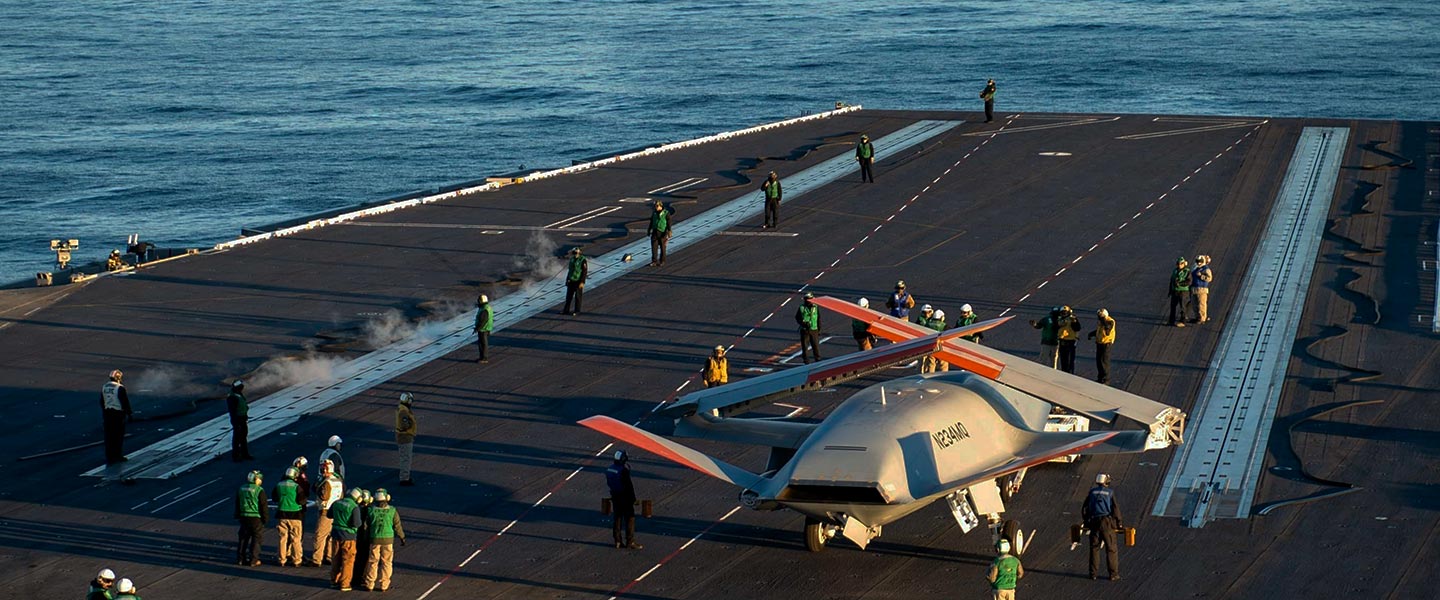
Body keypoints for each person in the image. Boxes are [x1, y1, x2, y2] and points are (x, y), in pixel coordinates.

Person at [362, 489, 406, 592]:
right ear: (387, 498)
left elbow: (366, 526)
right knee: (387, 562)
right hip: (388, 540)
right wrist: (402, 537)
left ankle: (370, 583)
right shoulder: (392, 510)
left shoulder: (371, 510)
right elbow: (397, 525)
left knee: (373, 561)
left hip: (374, 539)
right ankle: (384, 584)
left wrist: (365, 538)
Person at [1083, 473, 1123, 581]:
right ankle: (1113, 574)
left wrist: (1086, 522)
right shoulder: (1110, 493)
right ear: (1106, 482)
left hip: (1094, 522)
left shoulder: (1091, 492)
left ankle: (1093, 574)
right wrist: (1119, 523)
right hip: (1106, 523)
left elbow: (1085, 508)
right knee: (1111, 549)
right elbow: (1115, 509)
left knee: (1094, 548)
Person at [307, 459, 343, 567]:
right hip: (335, 510)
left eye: (323, 469)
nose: (322, 471)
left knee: (320, 535)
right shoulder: (338, 481)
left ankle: (316, 559)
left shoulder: (326, 481)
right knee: (330, 536)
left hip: (325, 510)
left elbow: (324, 496)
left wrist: (318, 486)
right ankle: (329, 556)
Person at [606, 450, 642, 549]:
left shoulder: (610, 469)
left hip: (615, 496)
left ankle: (617, 540)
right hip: (625, 497)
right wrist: (633, 499)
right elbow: (629, 486)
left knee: (617, 518)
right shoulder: (623, 471)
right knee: (630, 518)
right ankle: (630, 541)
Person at [329, 487, 363, 591]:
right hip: (348, 537)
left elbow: (329, 515)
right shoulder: (354, 507)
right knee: (347, 561)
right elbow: (356, 523)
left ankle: (333, 581)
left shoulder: (336, 502)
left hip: (335, 534)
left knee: (335, 558)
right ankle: (345, 583)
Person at [274, 466, 307, 566]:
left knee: (282, 538)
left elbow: (274, 497)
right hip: (295, 515)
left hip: (281, 514)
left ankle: (281, 559)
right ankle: (297, 560)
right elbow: (302, 500)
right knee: (296, 538)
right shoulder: (296, 486)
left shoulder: (279, 485)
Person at [235, 470, 268, 567]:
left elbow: (237, 503)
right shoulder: (259, 490)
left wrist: (238, 515)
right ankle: (254, 559)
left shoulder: (241, 488)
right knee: (256, 539)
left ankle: (240, 558)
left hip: (244, 516)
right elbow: (263, 506)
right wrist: (265, 519)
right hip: (255, 517)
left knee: (243, 538)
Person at [101, 369, 133, 465]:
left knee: (109, 436)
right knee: (118, 436)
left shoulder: (105, 387)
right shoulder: (120, 388)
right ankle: (117, 455)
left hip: (107, 414)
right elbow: (124, 402)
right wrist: (129, 413)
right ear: (118, 378)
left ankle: (109, 456)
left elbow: (101, 401)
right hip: (117, 414)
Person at [226, 380, 252, 461]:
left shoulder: (238, 394)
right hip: (237, 420)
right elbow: (233, 411)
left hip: (242, 418)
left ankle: (245, 454)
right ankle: (236, 456)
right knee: (237, 438)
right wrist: (236, 423)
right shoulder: (232, 397)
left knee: (243, 437)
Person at [1089, 309, 1117, 384]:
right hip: (1099, 343)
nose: (1099, 318)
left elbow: (1107, 331)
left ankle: (1105, 379)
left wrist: (1103, 321)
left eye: (1101, 316)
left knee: (1104, 361)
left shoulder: (1110, 321)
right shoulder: (1101, 322)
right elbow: (1099, 330)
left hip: (1106, 344)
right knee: (1099, 361)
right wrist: (1092, 334)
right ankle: (1100, 377)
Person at [396, 392, 417, 486]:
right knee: (406, 458)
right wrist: (409, 426)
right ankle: (404, 479)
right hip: (405, 437)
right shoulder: (404, 411)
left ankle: (405, 477)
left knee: (405, 457)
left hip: (403, 436)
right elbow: (404, 424)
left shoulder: (401, 408)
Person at [795, 292, 822, 364]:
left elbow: (818, 318)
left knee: (815, 346)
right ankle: (806, 361)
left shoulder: (816, 307)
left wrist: (819, 329)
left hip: (814, 329)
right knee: (805, 347)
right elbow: (797, 318)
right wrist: (803, 323)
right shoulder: (801, 307)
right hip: (805, 330)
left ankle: (818, 360)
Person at [1055, 306, 1082, 374]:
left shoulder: (1072, 319)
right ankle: (1064, 373)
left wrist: (1074, 322)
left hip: (1070, 341)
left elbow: (1077, 328)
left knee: (1070, 361)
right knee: (1063, 360)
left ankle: (1069, 374)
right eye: (1062, 313)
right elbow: (1056, 326)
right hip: (1062, 341)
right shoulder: (1060, 319)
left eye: (1065, 312)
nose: (1064, 314)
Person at [562, 247, 587, 315]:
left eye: (576, 253)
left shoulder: (583, 260)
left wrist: (582, 282)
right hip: (571, 280)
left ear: (579, 253)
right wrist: (567, 280)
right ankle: (566, 310)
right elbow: (570, 271)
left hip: (578, 280)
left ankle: (577, 311)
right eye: (574, 253)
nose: (575, 254)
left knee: (578, 297)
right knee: (568, 296)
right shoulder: (572, 259)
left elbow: (584, 272)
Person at [647, 201, 674, 265]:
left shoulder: (666, 213)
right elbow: (651, 222)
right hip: (655, 231)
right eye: (655, 206)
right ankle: (654, 261)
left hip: (663, 232)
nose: (655, 207)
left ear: (660, 206)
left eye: (657, 206)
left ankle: (662, 261)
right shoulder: (654, 213)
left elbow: (669, 223)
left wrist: (669, 231)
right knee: (654, 247)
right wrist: (649, 230)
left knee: (663, 247)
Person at [1168, 256, 1192, 327]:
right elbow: (1172, 280)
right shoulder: (1175, 271)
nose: (1179, 265)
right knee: (1172, 306)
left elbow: (1189, 281)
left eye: (1181, 263)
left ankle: (1183, 321)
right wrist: (1170, 290)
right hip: (1175, 291)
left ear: (1184, 264)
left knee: (1182, 306)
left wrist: (1180, 284)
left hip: (1183, 291)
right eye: (1178, 263)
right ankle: (1171, 321)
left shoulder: (1187, 271)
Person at [1191, 254, 1214, 324]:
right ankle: (1197, 317)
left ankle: (1202, 318)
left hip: (1202, 289)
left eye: (1200, 261)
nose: (1199, 263)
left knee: (1201, 304)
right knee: (1194, 304)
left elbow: (1209, 278)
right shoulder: (1195, 268)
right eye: (1197, 261)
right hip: (1194, 288)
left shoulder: (1206, 269)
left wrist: (1201, 276)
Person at [475, 294, 492, 363]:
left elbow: (483, 321)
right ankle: (482, 357)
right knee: (482, 343)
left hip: (483, 329)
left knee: (483, 344)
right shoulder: (487, 307)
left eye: (479, 300)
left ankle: (484, 358)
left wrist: (477, 328)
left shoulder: (484, 309)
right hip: (486, 328)